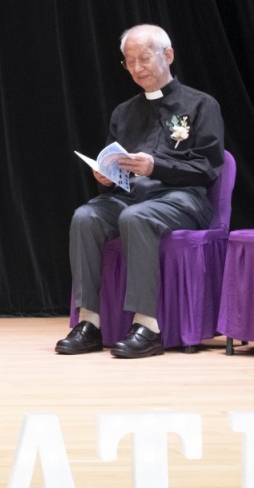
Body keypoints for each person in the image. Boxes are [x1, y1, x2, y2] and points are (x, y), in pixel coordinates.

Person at [55, 25, 225, 359]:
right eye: (129, 62)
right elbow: (114, 162)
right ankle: (88, 323)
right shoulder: (124, 111)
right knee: (85, 217)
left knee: (136, 217)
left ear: (168, 55)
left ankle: (148, 327)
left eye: (144, 58)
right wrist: (105, 177)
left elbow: (208, 167)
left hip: (181, 198)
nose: (137, 68)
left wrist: (156, 166)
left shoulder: (202, 105)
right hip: (130, 197)